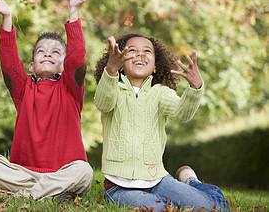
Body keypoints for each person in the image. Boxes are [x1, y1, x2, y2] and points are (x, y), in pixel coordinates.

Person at [0, 0, 95, 202]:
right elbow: (9, 63)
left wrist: (73, 11)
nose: (48, 54)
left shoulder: (71, 89)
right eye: (41, 51)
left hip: (63, 173)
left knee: (84, 171)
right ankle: (46, 194)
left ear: (64, 64)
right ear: (31, 65)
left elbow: (77, 58)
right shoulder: (24, 89)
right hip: (23, 173)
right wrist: (7, 17)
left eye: (56, 52)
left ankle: (15, 197)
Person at [94, 33, 230, 211]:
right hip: (120, 188)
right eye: (132, 50)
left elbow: (182, 113)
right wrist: (110, 71)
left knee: (215, 208)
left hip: (158, 180)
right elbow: (103, 103)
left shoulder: (160, 93)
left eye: (147, 51)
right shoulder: (112, 88)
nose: (139, 54)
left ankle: (191, 181)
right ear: (120, 64)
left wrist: (195, 88)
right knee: (164, 209)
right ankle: (188, 184)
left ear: (156, 67)